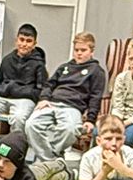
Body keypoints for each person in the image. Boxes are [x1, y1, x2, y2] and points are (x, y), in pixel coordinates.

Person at [26, 31, 108, 162]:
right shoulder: (64, 67)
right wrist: (44, 99)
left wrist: (90, 120)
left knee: (70, 130)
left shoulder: (96, 71)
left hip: (72, 107)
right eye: (76, 50)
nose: (79, 53)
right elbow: (49, 85)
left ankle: (48, 160)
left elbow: (95, 97)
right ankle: (51, 160)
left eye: (83, 50)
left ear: (92, 51)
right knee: (30, 125)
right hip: (51, 103)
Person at [0, 24, 47, 133]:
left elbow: (41, 91)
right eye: (21, 40)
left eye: (29, 41)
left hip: (25, 100)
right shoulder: (7, 59)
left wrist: (17, 90)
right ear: (16, 41)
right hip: (4, 97)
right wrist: (5, 90)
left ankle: (16, 143)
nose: (24, 44)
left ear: (34, 44)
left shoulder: (39, 64)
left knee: (18, 119)